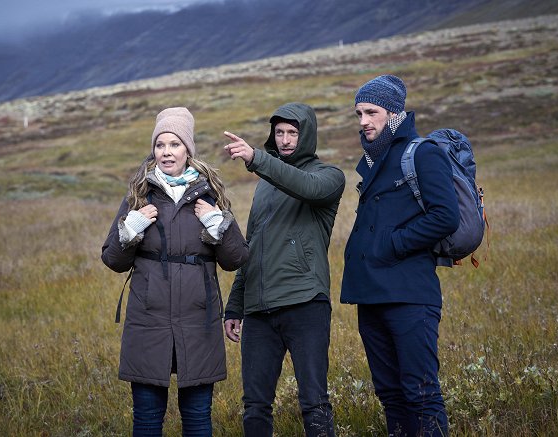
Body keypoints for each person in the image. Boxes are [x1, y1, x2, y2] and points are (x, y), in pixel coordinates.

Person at [101, 107, 249, 437]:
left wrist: (216, 222)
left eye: (175, 144)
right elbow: (113, 259)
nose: (166, 152)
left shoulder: (209, 194)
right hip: (147, 320)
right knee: (147, 418)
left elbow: (236, 258)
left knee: (197, 418)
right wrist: (132, 227)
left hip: (198, 321)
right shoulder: (139, 194)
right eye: (160, 145)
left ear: (188, 149)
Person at [340, 74, 460, 436]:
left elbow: (445, 215)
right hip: (370, 295)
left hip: (409, 294)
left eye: (371, 112)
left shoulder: (423, 153)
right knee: (391, 395)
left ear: (393, 113)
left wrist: (392, 244)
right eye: (359, 113)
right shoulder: (374, 160)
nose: (363, 121)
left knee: (421, 393)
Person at [222, 102, 345, 437]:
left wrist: (257, 159)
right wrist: (235, 305)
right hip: (260, 311)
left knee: (314, 401)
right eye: (280, 133)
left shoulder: (329, 176)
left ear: (307, 136)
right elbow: (253, 245)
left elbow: (305, 187)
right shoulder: (265, 186)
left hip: (305, 303)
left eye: (293, 132)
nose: (286, 139)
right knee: (256, 406)